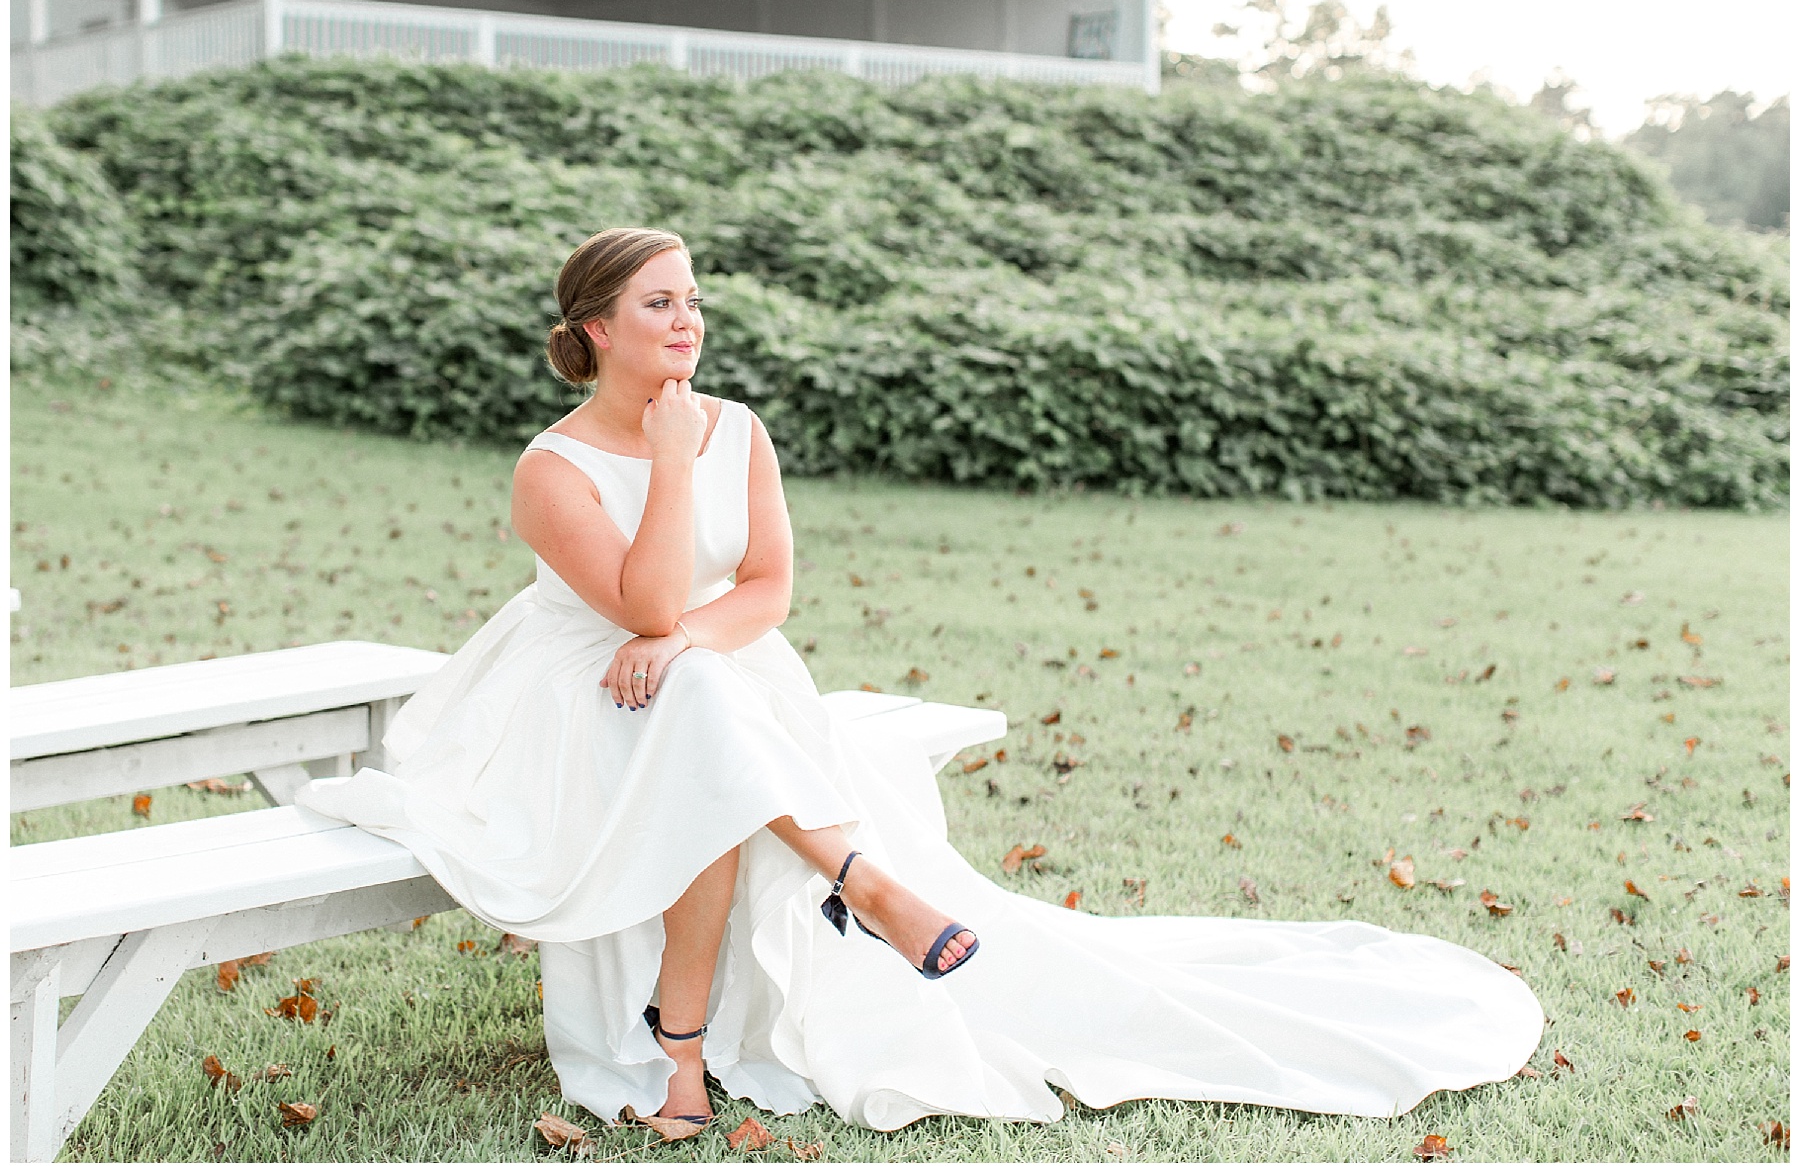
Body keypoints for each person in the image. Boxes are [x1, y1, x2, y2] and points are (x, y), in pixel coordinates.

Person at [296, 227, 1545, 1135]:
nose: (688, 324)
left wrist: (687, 632)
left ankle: (687, 1060)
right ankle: (860, 885)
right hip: (585, 692)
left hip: (710, 670)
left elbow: (766, 592)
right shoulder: (554, 467)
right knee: (692, 724)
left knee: (707, 726)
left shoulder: (742, 427)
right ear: (595, 332)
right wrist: (671, 471)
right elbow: (639, 607)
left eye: (695, 303)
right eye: (661, 304)